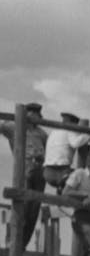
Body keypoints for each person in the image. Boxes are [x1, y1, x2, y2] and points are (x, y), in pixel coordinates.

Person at [0, 102, 48, 248]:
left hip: (39, 171)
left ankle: (22, 244)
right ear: (26, 115)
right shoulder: (15, 126)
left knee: (34, 210)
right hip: (24, 170)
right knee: (22, 207)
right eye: (32, 116)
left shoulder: (42, 133)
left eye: (37, 117)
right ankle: (13, 239)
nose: (35, 119)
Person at [43, 112, 90, 194]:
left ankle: (61, 193)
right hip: (63, 171)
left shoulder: (53, 132)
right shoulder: (70, 130)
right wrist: (88, 135)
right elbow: (75, 143)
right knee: (83, 177)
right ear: (74, 124)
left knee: (71, 184)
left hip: (48, 173)